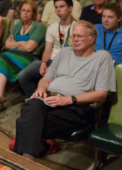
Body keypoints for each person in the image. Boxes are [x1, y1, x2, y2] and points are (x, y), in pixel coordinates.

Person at [13, 21, 115, 160]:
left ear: (92, 39)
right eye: (73, 36)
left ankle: (25, 157)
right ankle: (28, 160)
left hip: (75, 106)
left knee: (26, 121)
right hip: (49, 99)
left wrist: (68, 99)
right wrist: (41, 89)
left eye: (80, 36)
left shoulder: (102, 57)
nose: (76, 39)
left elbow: (101, 94)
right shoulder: (65, 52)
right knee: (32, 104)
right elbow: (46, 79)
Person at [0, 0, 46, 114]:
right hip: (11, 54)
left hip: (28, 57)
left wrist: (16, 43)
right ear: (20, 12)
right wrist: (23, 43)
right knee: (1, 58)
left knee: (1, 58)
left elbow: (29, 48)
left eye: (29, 11)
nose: (25, 13)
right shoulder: (18, 25)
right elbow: (7, 44)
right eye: (23, 10)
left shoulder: (38, 26)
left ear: (33, 13)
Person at [18, 0, 75, 98]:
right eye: (56, 7)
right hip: (51, 60)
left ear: (70, 8)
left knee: (53, 83)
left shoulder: (78, 27)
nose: (58, 10)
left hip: (68, 63)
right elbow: (47, 49)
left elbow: (76, 54)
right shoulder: (52, 27)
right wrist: (44, 63)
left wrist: (54, 67)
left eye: (62, 6)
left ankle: (45, 103)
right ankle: (36, 100)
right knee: (23, 75)